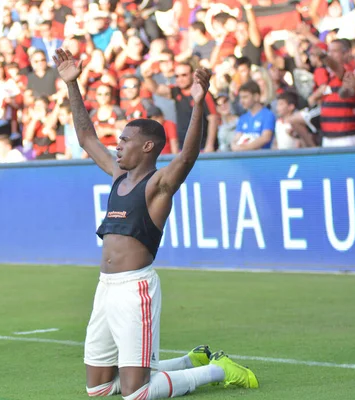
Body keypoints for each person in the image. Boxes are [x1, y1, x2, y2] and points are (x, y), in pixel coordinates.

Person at [53, 48, 258, 400]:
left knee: (137, 394)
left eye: (125, 141)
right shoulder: (119, 175)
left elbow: (188, 155)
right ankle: (187, 359)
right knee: (100, 388)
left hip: (136, 291)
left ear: (148, 146)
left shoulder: (159, 185)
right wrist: (73, 85)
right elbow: (87, 138)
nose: (117, 146)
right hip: (105, 288)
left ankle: (215, 370)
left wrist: (197, 104)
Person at [230, 81, 276, 151]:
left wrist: (244, 148)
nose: (241, 101)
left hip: (263, 158)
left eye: (245, 97)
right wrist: (234, 146)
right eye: (241, 98)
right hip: (244, 159)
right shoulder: (243, 118)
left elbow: (266, 138)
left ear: (256, 97)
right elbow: (236, 139)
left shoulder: (268, 115)